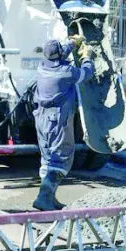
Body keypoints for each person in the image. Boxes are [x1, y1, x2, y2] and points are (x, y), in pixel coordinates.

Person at [32, 36, 95, 211]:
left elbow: (59, 54)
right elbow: (87, 74)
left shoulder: (42, 65)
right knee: (61, 158)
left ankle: (49, 198)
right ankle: (43, 198)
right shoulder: (66, 72)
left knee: (47, 158)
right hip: (57, 120)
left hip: (41, 118)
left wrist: (73, 43)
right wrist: (87, 57)